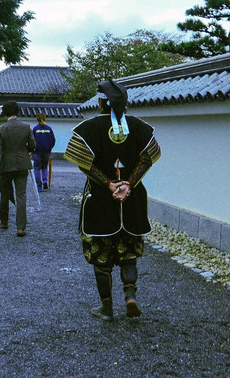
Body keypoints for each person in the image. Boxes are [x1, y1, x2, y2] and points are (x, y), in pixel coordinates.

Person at [64, 80, 161, 321]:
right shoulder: (140, 128)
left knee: (102, 255)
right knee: (128, 252)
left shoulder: (89, 128)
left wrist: (109, 183)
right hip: (132, 200)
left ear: (100, 103)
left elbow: (83, 161)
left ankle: (106, 308)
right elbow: (148, 158)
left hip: (100, 201)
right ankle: (130, 297)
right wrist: (128, 183)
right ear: (126, 105)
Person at [0, 101, 35, 237]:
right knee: (21, 195)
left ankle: (4, 221)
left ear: (4, 113)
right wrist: (28, 151)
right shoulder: (26, 127)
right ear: (18, 111)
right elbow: (33, 144)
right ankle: (21, 227)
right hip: (22, 164)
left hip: (6, 165)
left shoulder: (1, 129)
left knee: (5, 194)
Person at [31, 113, 56, 192]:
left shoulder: (35, 129)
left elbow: (32, 141)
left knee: (37, 168)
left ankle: (39, 186)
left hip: (37, 152)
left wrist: (31, 151)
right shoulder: (49, 129)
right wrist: (49, 148)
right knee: (44, 167)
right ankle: (45, 181)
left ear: (37, 119)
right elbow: (53, 140)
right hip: (46, 152)